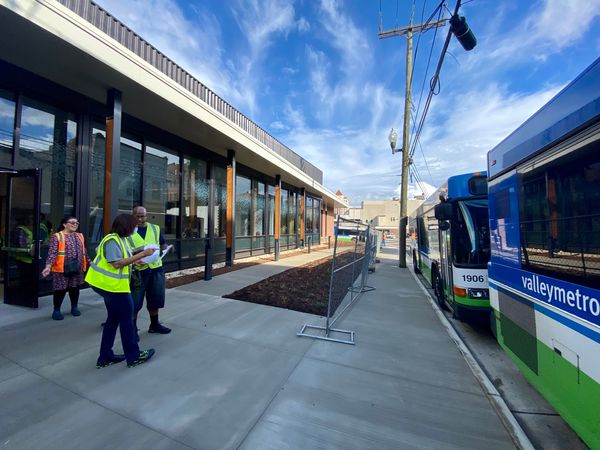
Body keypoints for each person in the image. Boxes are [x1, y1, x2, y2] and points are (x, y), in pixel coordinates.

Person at [85, 213, 156, 368]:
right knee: (127, 320)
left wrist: (136, 262)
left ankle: (105, 356)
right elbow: (116, 264)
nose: (136, 228)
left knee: (113, 319)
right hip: (111, 287)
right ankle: (133, 356)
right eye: (134, 225)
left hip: (111, 286)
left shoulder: (120, 239)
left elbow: (124, 260)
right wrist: (142, 254)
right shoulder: (112, 240)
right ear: (127, 226)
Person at [128, 206, 173, 337]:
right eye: (138, 216)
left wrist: (168, 249)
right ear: (132, 215)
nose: (141, 219)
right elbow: (124, 251)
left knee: (155, 299)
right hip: (138, 271)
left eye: (143, 216)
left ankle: (154, 325)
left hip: (156, 269)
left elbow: (162, 245)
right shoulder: (127, 230)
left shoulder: (155, 228)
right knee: (135, 302)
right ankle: (132, 330)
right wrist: (134, 259)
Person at [41, 216, 90, 320]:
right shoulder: (57, 236)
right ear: (64, 224)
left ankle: (74, 307)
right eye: (72, 222)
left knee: (75, 288)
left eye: (76, 223)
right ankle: (57, 310)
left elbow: (84, 251)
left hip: (77, 267)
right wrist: (48, 266)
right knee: (60, 290)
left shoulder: (79, 236)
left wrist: (91, 263)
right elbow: (52, 253)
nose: (74, 224)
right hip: (62, 269)